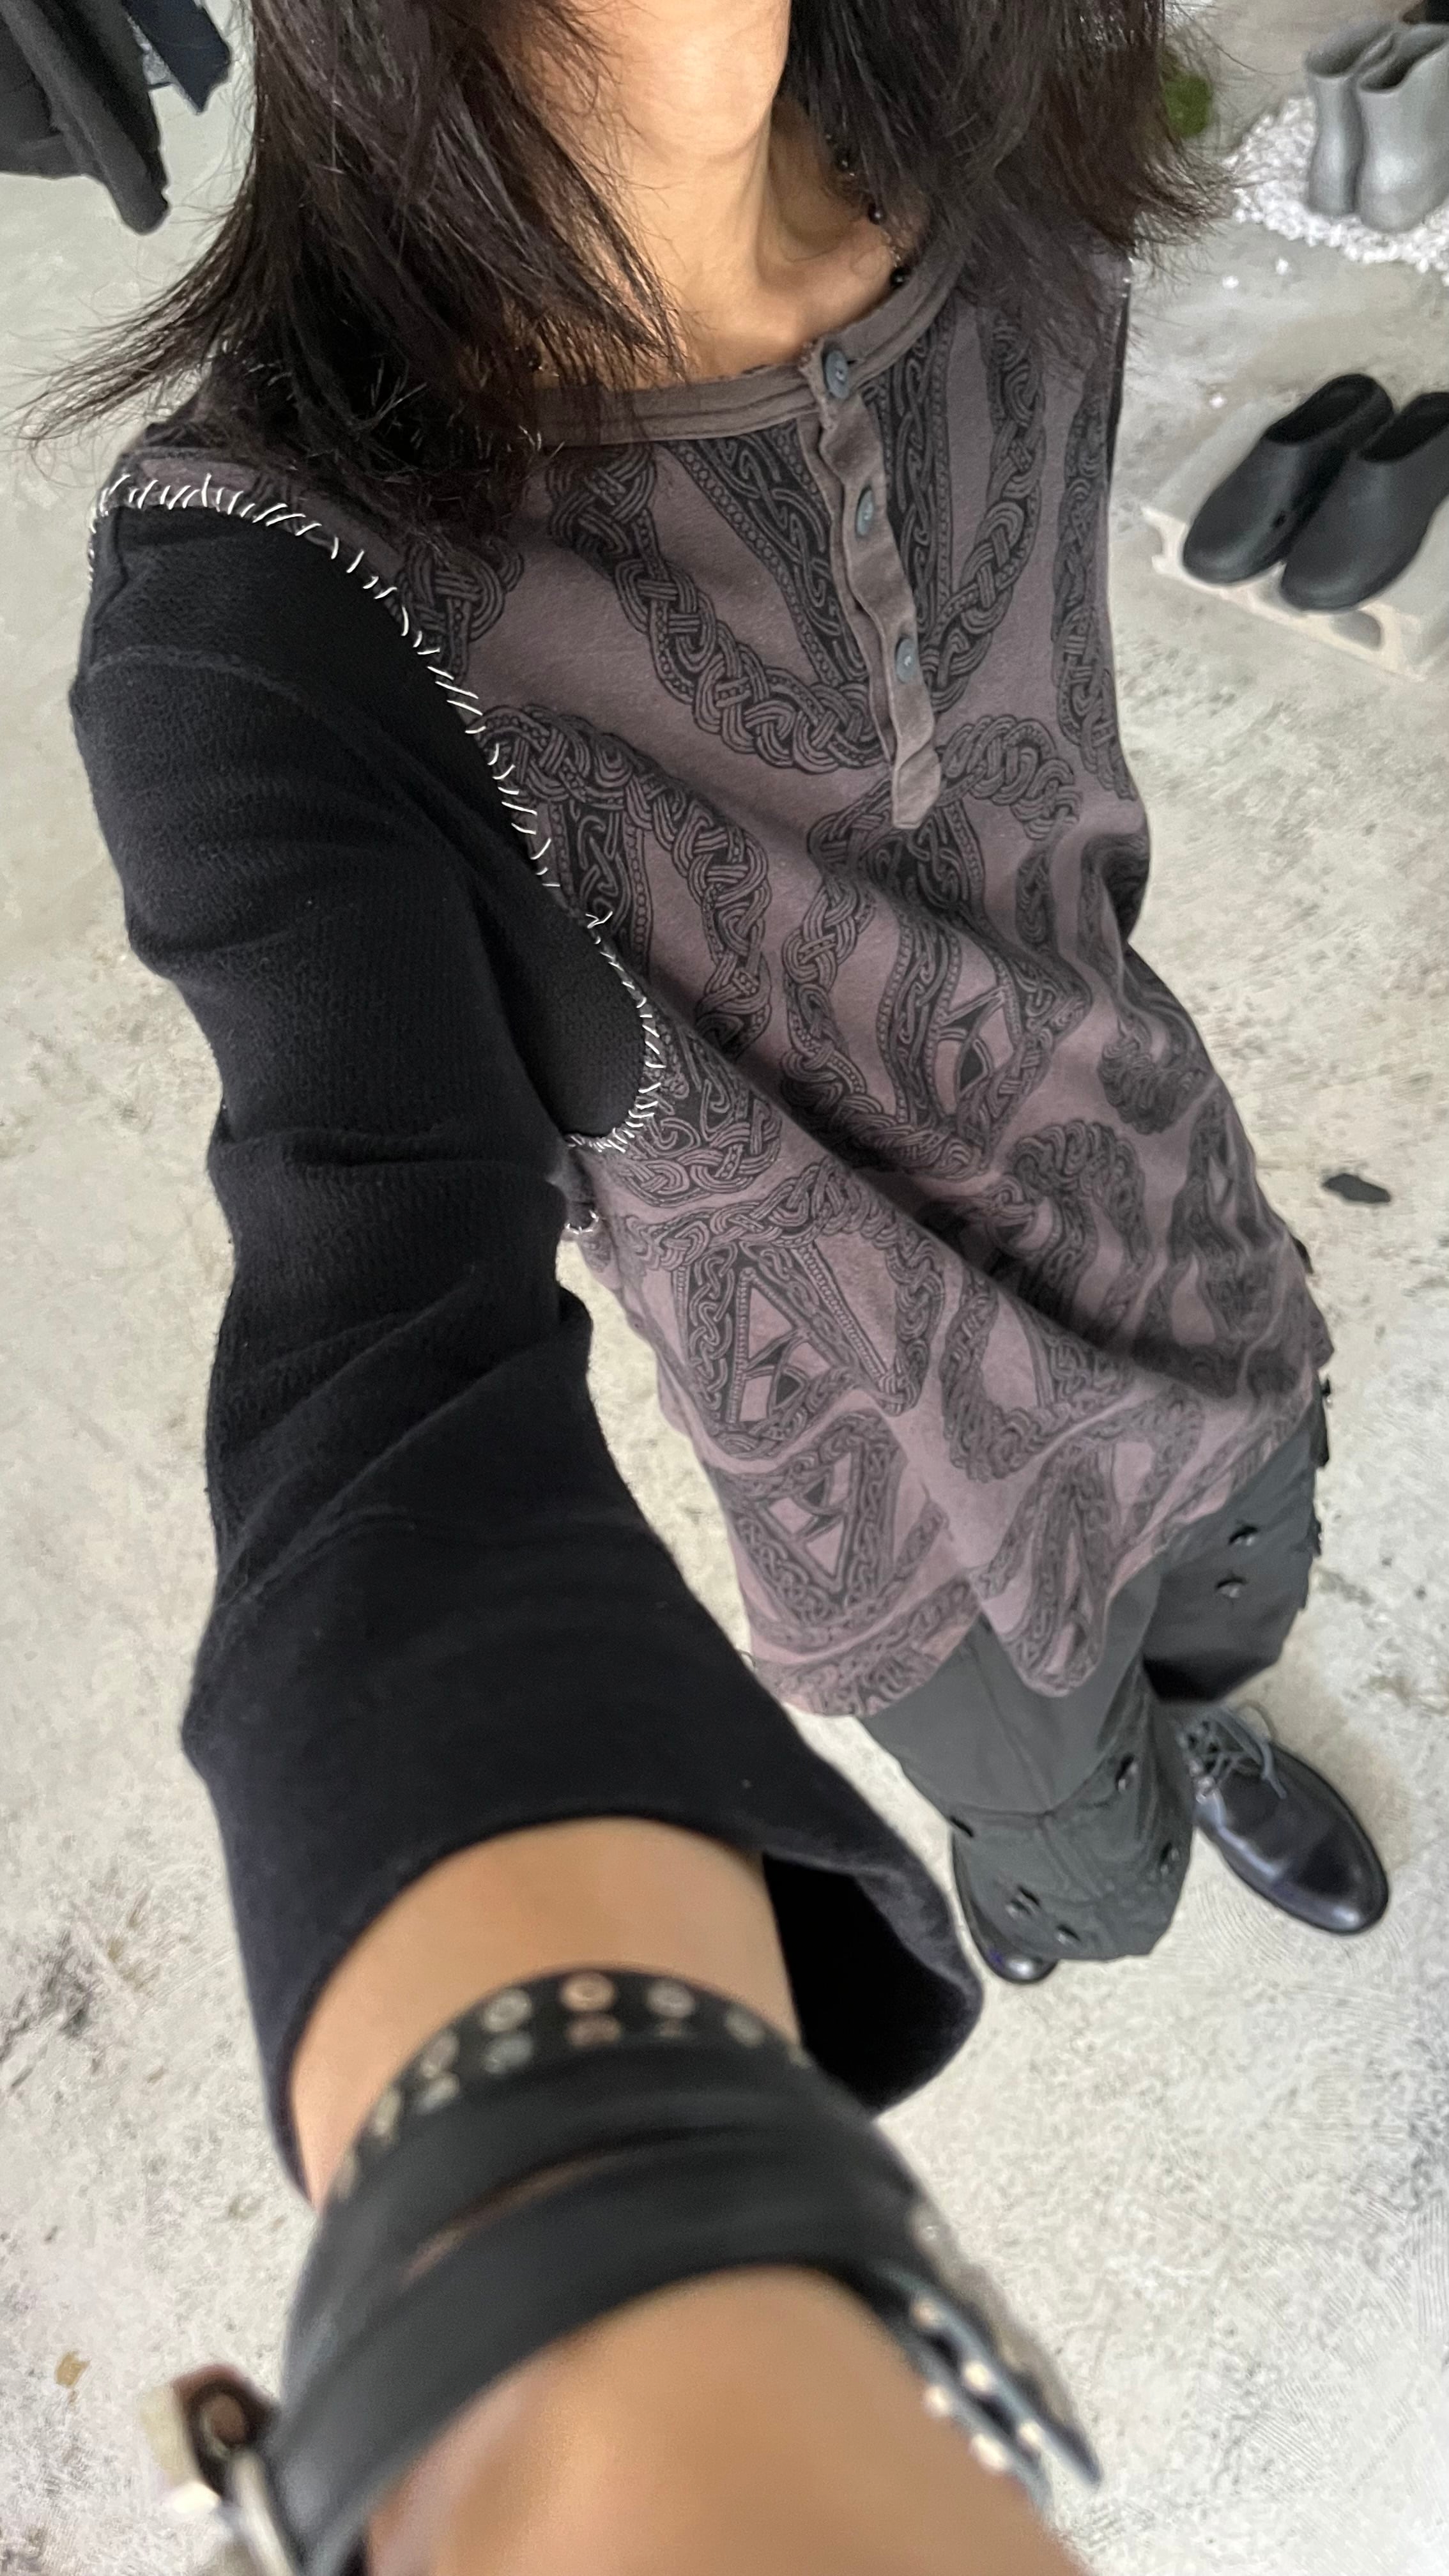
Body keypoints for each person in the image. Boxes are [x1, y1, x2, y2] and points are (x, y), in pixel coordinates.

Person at [53, 0, 1388, 2566]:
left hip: (1189, 1247)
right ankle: (1077, 1858)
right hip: (904, 1487)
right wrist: (579, 2233)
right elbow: (375, 1359)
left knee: (1242, 1595)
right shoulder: (283, 606)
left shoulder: (1023, 205)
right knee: (1077, 1865)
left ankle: (1203, 1733)